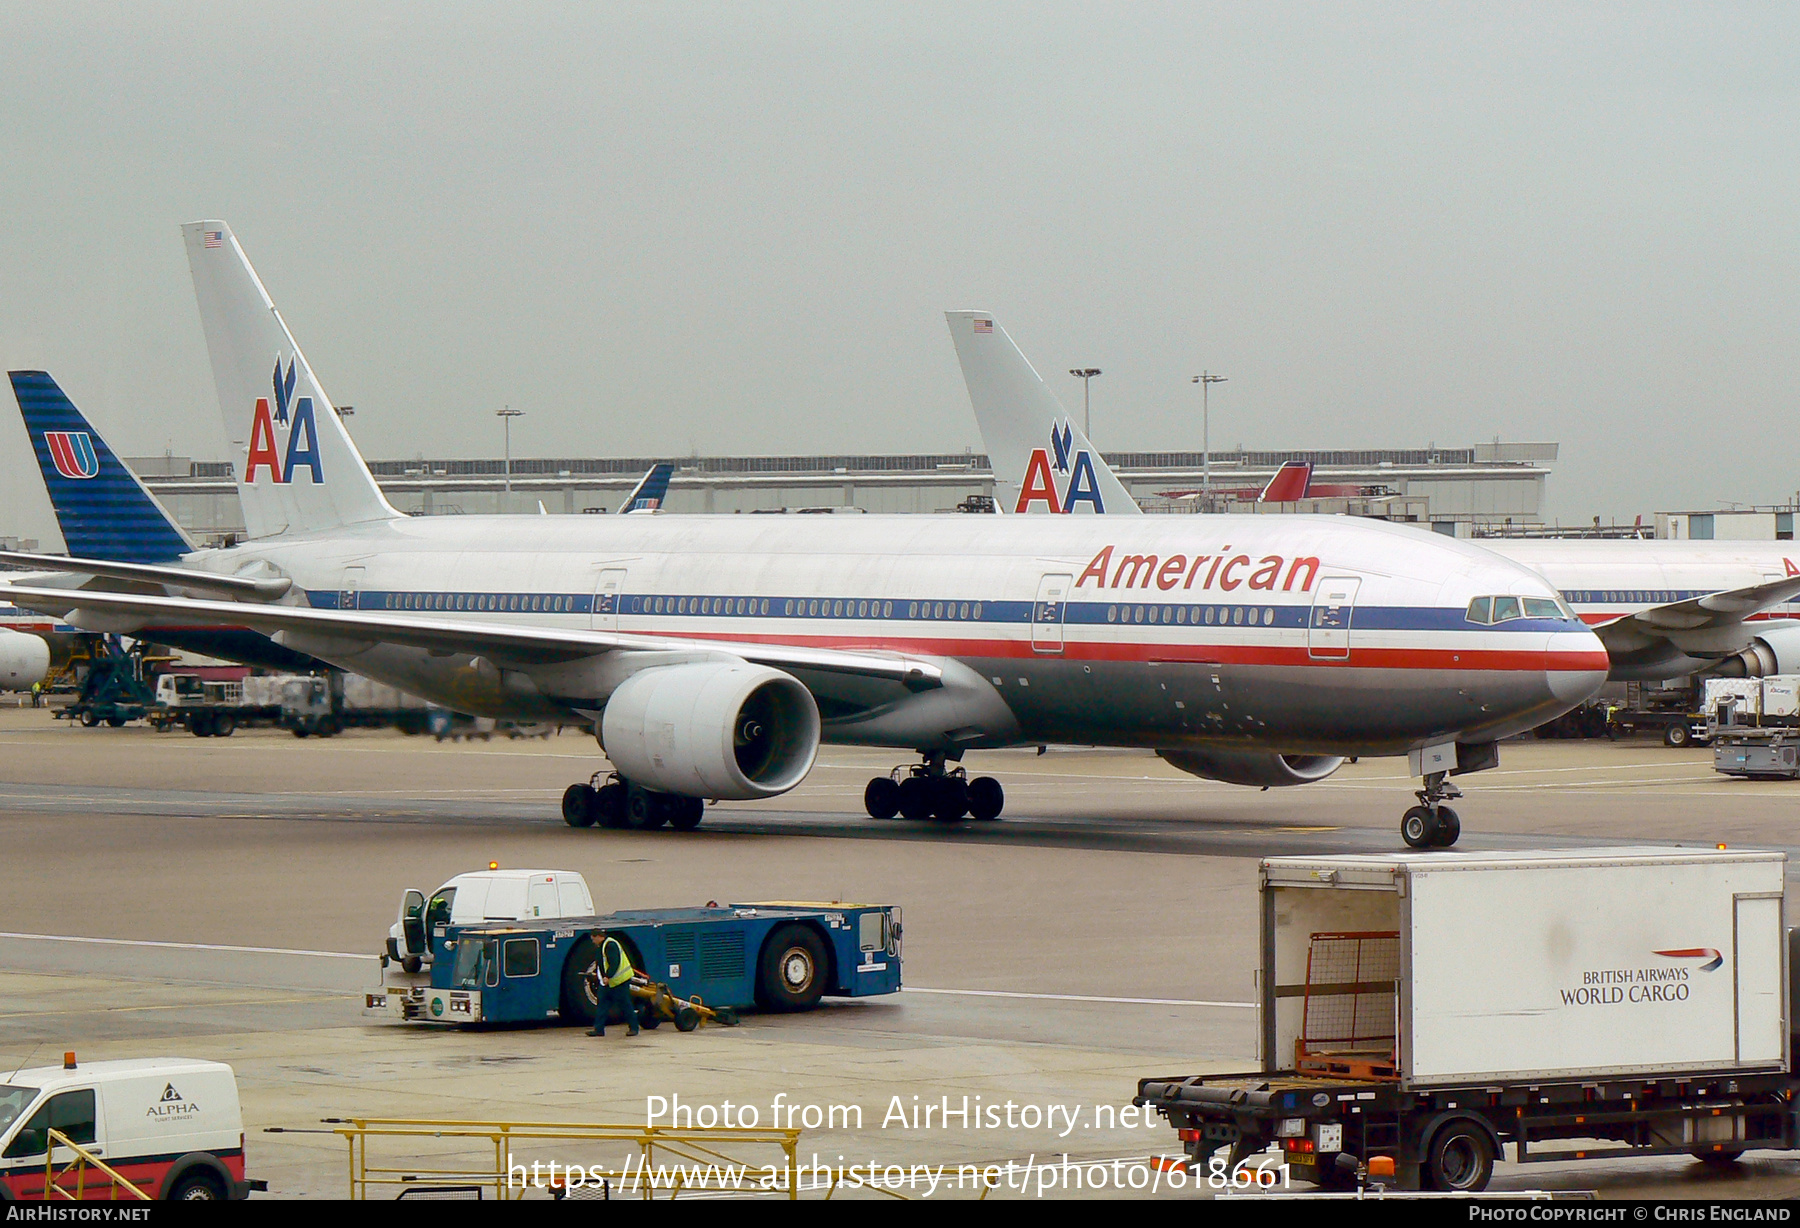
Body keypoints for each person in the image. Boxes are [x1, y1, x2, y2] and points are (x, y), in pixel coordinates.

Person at [587, 931, 639, 1037]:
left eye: (593, 939)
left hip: (619, 981)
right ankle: (599, 1030)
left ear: (598, 937)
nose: (592, 941)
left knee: (625, 1004)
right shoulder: (602, 946)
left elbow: (615, 962)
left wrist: (608, 976)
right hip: (608, 982)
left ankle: (634, 1028)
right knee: (602, 1005)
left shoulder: (610, 945)